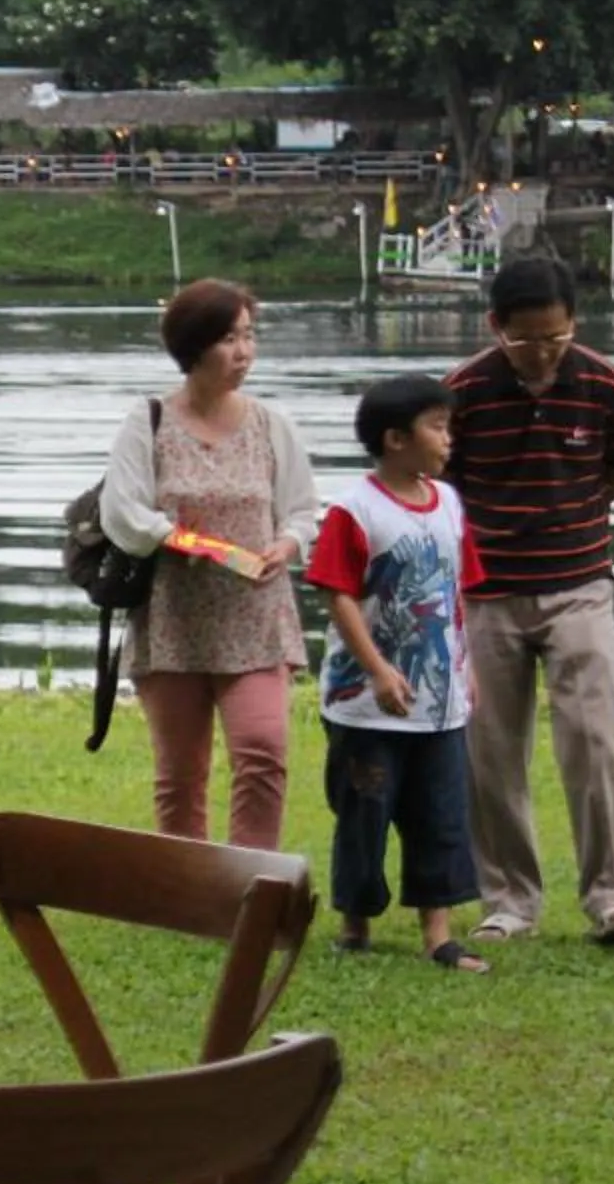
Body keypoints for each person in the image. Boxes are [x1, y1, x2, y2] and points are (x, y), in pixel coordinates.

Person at [443, 256, 614, 946]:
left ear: (574, 325)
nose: (541, 353)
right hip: (486, 591)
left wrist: (565, 516)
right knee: (490, 750)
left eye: (555, 338)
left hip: (579, 583)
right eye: (526, 339)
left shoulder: (606, 386)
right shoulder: (462, 394)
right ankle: (509, 901)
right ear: (495, 326)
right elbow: (439, 491)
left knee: (595, 737)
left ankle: (610, 895)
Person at [99, 279, 319, 848]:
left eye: (249, 336)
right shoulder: (147, 422)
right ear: (193, 348)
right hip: (174, 618)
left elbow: (301, 510)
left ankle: (252, 887)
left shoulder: (273, 424)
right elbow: (121, 512)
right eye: (228, 338)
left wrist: (288, 544)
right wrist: (182, 541)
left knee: (263, 754)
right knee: (180, 774)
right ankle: (187, 887)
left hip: (256, 615)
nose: (244, 352)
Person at [304, 375, 488, 970]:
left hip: (439, 701)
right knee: (365, 810)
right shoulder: (354, 511)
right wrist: (378, 670)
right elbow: (338, 596)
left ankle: (439, 934)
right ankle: (355, 922)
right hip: (367, 705)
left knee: (442, 814)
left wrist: (468, 669)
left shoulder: (451, 504)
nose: (448, 439)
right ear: (394, 439)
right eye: (437, 426)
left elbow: (459, 595)